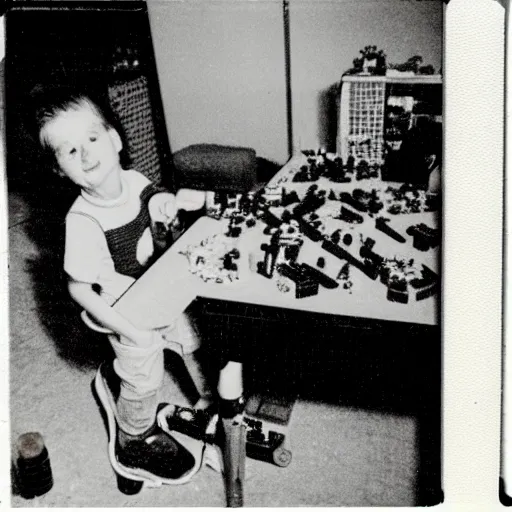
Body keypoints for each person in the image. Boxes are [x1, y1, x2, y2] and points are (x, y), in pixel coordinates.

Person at [33, 87, 212, 484]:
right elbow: (79, 290)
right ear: (60, 170)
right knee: (145, 373)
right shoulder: (82, 222)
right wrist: (129, 328)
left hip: (157, 284)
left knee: (194, 338)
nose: (87, 154)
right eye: (70, 151)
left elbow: (152, 199)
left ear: (114, 140)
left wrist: (169, 203)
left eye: (92, 139)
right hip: (123, 306)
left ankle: (208, 403)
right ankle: (134, 437)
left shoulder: (131, 178)